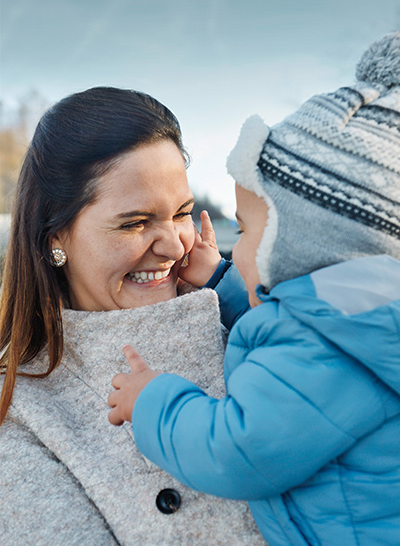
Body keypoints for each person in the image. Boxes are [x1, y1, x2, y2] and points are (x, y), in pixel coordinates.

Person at [108, 33, 400, 545]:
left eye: (248, 229)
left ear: (303, 243)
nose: (236, 247)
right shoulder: (367, 313)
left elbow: (237, 451)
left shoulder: (327, 354)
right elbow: (294, 324)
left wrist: (153, 399)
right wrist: (221, 278)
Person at [0, 87, 265, 545]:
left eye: (181, 213)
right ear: (53, 237)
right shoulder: (24, 406)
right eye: (135, 223)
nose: (175, 244)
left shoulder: (249, 326)